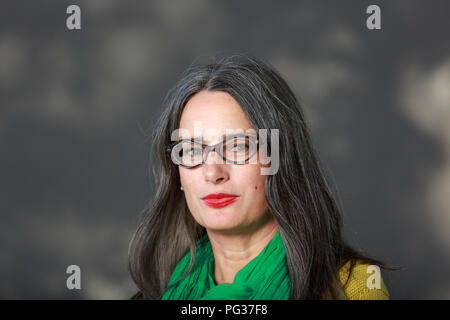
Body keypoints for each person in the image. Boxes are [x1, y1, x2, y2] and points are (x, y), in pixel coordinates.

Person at [128, 54, 393, 300]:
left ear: (280, 158)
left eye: (238, 147)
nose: (212, 173)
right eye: (191, 150)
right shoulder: (156, 293)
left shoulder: (352, 288)